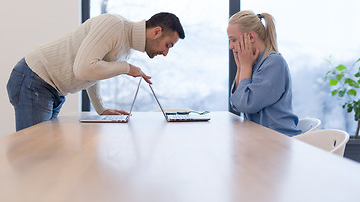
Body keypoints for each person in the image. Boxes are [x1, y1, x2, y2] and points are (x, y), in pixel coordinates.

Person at [7, 12, 185, 131]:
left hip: (51, 88)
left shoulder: (127, 48)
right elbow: (84, 69)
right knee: (35, 153)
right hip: (34, 79)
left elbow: (93, 72)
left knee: (44, 152)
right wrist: (127, 68)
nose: (165, 53)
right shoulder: (114, 25)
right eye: (167, 45)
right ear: (156, 32)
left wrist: (101, 109)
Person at [227, 10, 301, 136]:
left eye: (233, 40)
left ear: (250, 37)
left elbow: (246, 105)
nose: (230, 46)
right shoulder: (253, 65)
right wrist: (240, 67)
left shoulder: (274, 63)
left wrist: (244, 66)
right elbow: (235, 104)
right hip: (261, 139)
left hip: (279, 141)